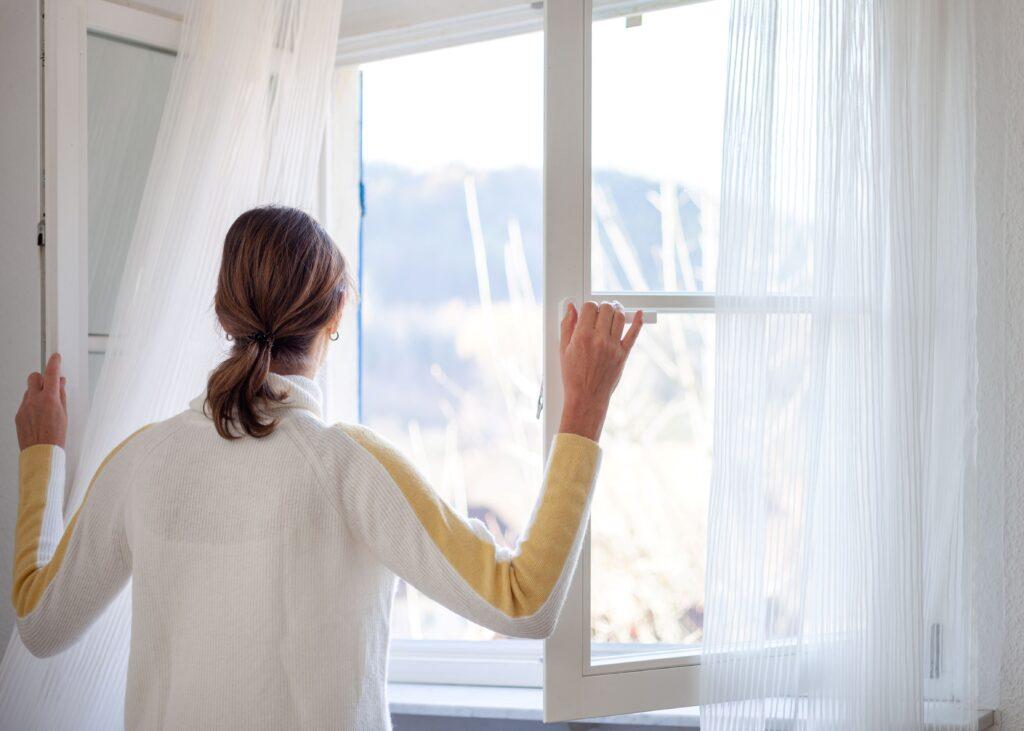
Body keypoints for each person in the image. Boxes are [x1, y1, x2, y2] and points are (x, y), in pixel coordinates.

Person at [12, 205, 642, 729]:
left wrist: (42, 456)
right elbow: (522, 602)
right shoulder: (346, 465)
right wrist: (583, 408)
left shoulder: (142, 462)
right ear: (337, 315)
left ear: (221, 311)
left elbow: (39, 623)